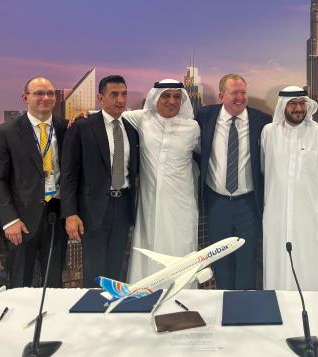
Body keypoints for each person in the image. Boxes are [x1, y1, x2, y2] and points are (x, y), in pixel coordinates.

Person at [0, 77, 68, 288]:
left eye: (50, 93)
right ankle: (19, 322)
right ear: (25, 98)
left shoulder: (65, 128)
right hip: (20, 222)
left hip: (56, 217)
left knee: (54, 284)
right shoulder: (5, 132)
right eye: (39, 93)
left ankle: (51, 321)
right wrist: (9, 220)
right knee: (19, 284)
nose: (46, 98)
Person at [61, 75, 139, 287]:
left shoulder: (131, 130)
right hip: (92, 209)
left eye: (124, 94)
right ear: (100, 97)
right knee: (94, 270)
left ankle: (114, 311)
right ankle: (93, 313)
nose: (120, 99)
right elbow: (68, 174)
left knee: (116, 267)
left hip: (123, 206)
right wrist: (70, 213)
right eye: (114, 94)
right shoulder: (82, 127)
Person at [195, 74, 271, 290]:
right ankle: (223, 302)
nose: (240, 97)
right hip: (217, 202)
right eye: (234, 93)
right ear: (221, 95)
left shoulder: (262, 121)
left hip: (248, 203)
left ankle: (243, 308)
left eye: (243, 92)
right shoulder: (204, 117)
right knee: (220, 258)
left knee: (247, 259)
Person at [122, 79, 200, 282]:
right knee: (149, 250)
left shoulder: (193, 127)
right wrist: (84, 114)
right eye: (165, 95)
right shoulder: (141, 119)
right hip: (150, 203)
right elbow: (110, 116)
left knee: (180, 249)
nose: (171, 101)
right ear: (155, 97)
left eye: (177, 96)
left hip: (181, 204)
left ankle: (181, 298)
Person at [261, 86, 318, 291]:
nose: (298, 108)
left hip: (308, 213)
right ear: (283, 106)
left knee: (308, 261)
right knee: (276, 261)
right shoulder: (269, 132)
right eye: (292, 104)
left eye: (302, 103)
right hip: (276, 212)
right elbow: (265, 167)